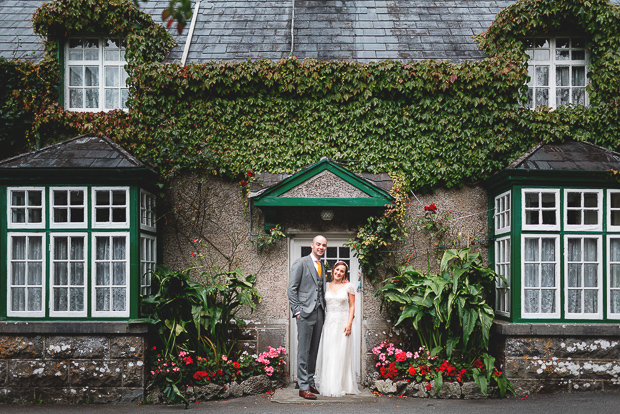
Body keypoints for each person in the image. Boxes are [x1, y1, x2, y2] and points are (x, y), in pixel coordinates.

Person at [287, 235, 329, 400]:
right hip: (305, 312)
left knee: (314, 349)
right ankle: (303, 386)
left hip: (319, 311)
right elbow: (292, 289)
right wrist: (297, 310)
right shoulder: (301, 262)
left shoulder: (322, 265)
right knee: (304, 350)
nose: (321, 247)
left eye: (324, 245)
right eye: (318, 244)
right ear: (312, 245)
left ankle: (310, 381)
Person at [316, 261, 360, 397]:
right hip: (329, 323)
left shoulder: (349, 286)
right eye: (337, 270)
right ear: (333, 270)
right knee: (330, 354)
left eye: (342, 271)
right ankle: (329, 385)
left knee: (341, 353)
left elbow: (352, 306)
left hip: (342, 323)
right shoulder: (326, 286)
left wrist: (349, 323)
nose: (338, 273)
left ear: (344, 274)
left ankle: (343, 385)